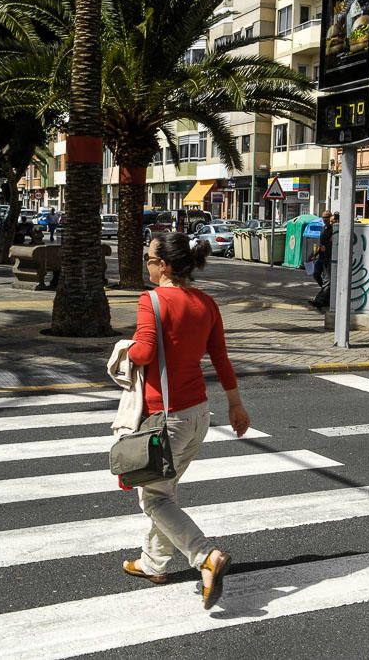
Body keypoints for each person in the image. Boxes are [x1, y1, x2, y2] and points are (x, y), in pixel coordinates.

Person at [123, 232, 250, 610]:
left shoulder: (152, 301)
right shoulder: (206, 303)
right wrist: (236, 406)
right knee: (166, 491)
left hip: (167, 418)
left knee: (154, 500)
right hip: (199, 415)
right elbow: (222, 359)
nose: (146, 264)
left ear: (164, 265)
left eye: (149, 258)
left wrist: (122, 349)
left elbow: (144, 352)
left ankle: (205, 556)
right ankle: (153, 563)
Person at [308, 210, 333, 309]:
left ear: (330, 217)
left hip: (328, 258)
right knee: (316, 274)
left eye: (326, 217)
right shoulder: (323, 228)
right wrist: (313, 255)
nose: (324, 219)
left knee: (327, 281)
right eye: (323, 217)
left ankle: (320, 300)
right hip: (321, 257)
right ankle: (327, 293)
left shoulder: (334, 229)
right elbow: (320, 244)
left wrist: (327, 248)